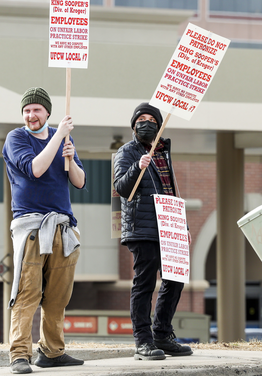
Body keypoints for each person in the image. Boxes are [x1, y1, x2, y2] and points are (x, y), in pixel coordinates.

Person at [2, 87, 86, 374]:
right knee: (28, 291)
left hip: (62, 226)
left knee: (58, 295)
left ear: (47, 112)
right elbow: (35, 168)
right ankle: (19, 355)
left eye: (36, 109)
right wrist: (59, 136)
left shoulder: (62, 139)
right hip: (31, 226)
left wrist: (71, 157)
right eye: (27, 110)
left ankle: (52, 351)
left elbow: (79, 181)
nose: (30, 115)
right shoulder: (16, 138)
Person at [112, 102, 193, 360]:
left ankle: (162, 334)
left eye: (151, 119)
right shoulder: (126, 152)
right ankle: (143, 342)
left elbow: (171, 192)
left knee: (175, 279)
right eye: (140, 119)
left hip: (169, 227)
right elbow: (121, 188)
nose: (146, 123)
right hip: (143, 227)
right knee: (145, 283)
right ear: (134, 125)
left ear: (159, 124)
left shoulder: (163, 153)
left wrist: (184, 225)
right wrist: (138, 167)